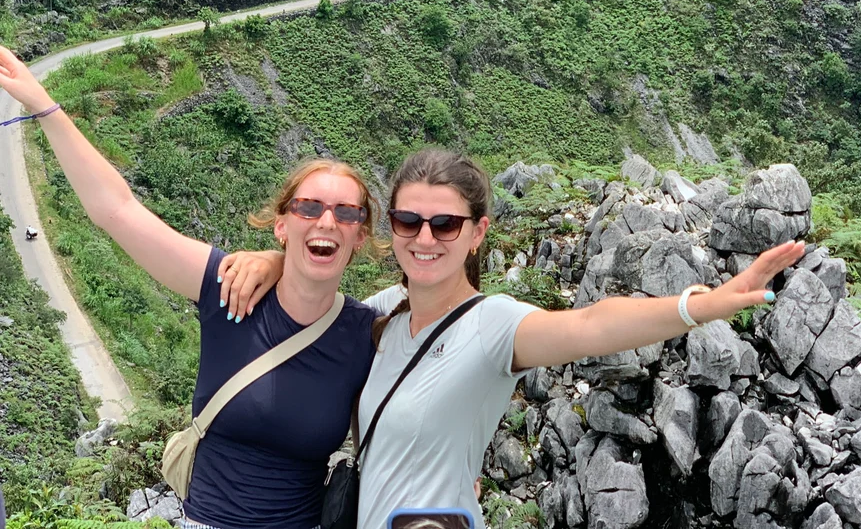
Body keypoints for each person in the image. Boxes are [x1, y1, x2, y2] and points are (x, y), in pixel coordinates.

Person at [222, 147, 805, 529]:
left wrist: (698, 306)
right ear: (390, 231)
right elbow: (314, 302)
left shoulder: (493, 324)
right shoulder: (380, 316)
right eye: (408, 222)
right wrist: (274, 261)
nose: (425, 237)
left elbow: (591, 325)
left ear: (477, 233)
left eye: (445, 223)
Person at [0, 46, 379, 529]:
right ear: (282, 225)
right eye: (308, 207)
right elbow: (118, 210)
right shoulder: (228, 288)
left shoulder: (365, 334)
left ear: (360, 236)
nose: (327, 220)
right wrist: (44, 107)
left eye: (347, 213)